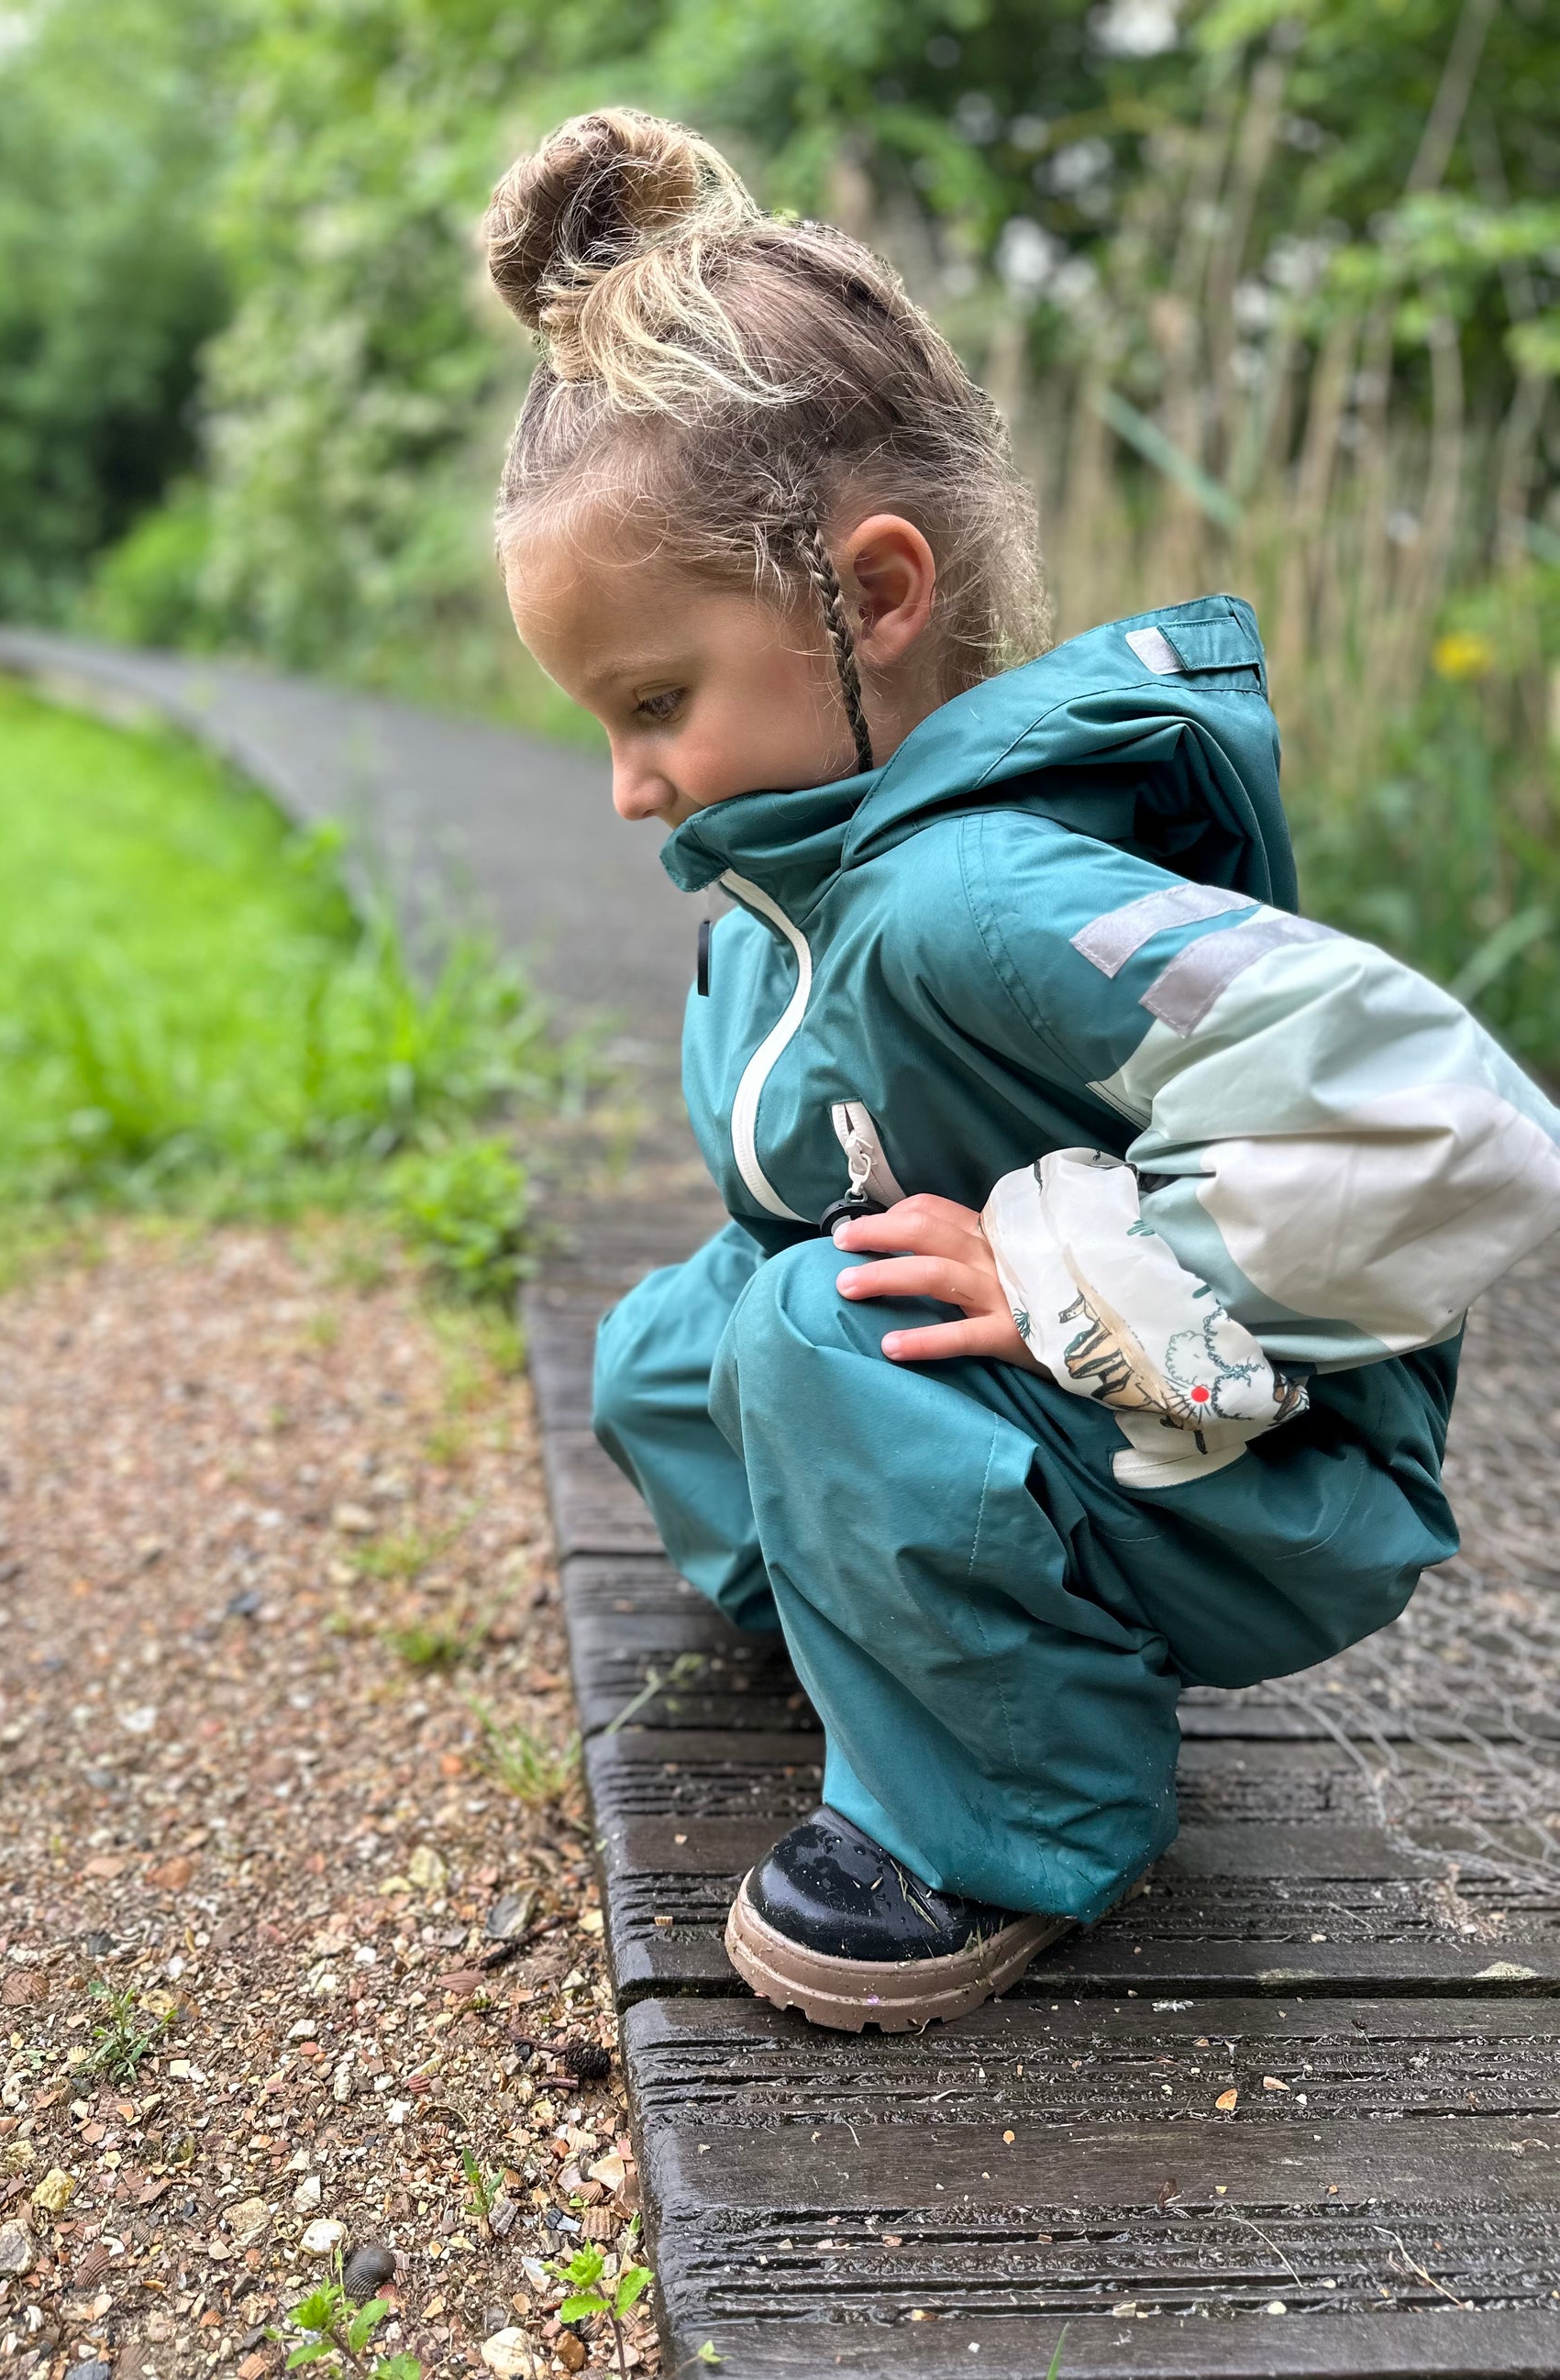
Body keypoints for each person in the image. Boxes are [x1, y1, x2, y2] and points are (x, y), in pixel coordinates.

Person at [482, 108, 1560, 2032]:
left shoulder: (974, 892)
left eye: (656, 703)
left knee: (818, 1324)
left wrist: (1074, 1274)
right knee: (673, 1339)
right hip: (1088, 1411)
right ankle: (888, 1616)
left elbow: (1456, 1124)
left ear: (872, 596)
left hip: (1243, 1456)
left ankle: (1003, 1807)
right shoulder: (808, 891)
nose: (630, 784)